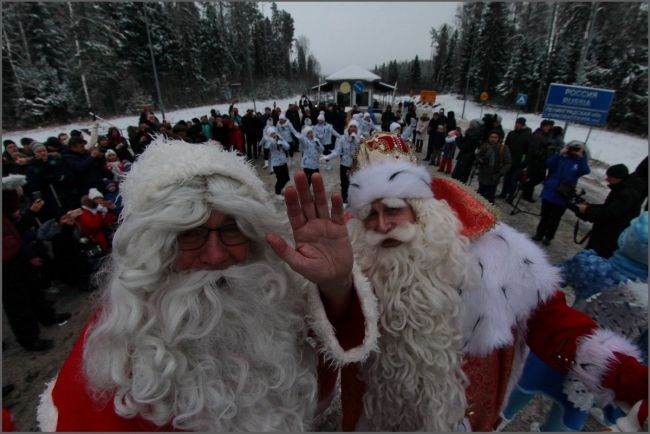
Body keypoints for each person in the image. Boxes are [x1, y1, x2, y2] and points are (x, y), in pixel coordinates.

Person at [37, 138, 377, 431]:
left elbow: (328, 363)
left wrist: (336, 285)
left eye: (232, 230)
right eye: (190, 234)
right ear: (153, 249)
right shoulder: (112, 353)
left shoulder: (270, 299)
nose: (215, 256)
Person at [331, 132, 647, 431]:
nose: (383, 225)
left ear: (420, 207)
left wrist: (627, 378)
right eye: (369, 215)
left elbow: (552, 322)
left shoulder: (494, 253)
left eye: (393, 209)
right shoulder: (348, 261)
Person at [572, 163, 646, 258]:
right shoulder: (623, 188)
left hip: (609, 238)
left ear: (617, 178)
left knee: (596, 258)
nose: (607, 179)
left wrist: (587, 210)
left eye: (609, 176)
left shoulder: (627, 193)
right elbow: (608, 207)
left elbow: (610, 213)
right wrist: (589, 207)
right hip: (607, 234)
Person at [533, 141, 590, 246]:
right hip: (550, 191)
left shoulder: (578, 162)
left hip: (563, 194)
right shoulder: (562, 158)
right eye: (572, 149)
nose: (573, 151)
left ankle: (549, 236)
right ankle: (539, 233)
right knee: (545, 215)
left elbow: (585, 171)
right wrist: (559, 154)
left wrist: (581, 156)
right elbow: (549, 164)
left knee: (555, 218)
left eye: (576, 149)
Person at [320, 120, 360, 205]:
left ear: (357, 129)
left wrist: (356, 140)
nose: (353, 129)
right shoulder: (342, 138)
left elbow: (363, 151)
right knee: (344, 183)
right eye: (351, 127)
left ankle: (355, 200)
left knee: (356, 183)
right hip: (344, 164)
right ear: (348, 128)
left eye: (354, 127)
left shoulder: (361, 138)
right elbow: (337, 152)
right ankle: (345, 201)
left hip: (356, 165)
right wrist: (327, 156)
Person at [499, 117, 532, 202]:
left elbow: (528, 150)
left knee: (514, 180)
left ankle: (511, 196)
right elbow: (506, 146)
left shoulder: (528, 135)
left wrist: (524, 162)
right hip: (508, 160)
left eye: (519, 124)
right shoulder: (511, 133)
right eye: (516, 123)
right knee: (507, 178)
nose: (517, 125)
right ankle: (503, 193)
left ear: (523, 125)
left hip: (519, 162)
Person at [520, 119, 554, 202]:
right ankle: (526, 193)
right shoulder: (538, 135)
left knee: (538, 178)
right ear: (543, 126)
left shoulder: (546, 135)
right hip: (535, 161)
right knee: (533, 178)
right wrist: (543, 154)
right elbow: (534, 150)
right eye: (547, 127)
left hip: (541, 161)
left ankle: (526, 189)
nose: (549, 128)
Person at [476, 129, 512, 204]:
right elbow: (478, 155)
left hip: (494, 175)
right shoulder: (484, 145)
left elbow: (508, 163)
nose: (493, 139)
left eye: (495, 137)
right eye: (491, 137)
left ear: (499, 138)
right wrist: (480, 160)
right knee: (480, 195)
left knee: (490, 197)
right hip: (483, 174)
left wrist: (500, 174)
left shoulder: (503, 148)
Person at [263, 127, 292, 199]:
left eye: (274, 133)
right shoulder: (269, 141)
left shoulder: (280, 138)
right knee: (280, 179)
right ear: (269, 135)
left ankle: (281, 189)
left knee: (287, 178)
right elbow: (267, 146)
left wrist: (281, 142)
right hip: (276, 164)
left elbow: (288, 147)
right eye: (271, 134)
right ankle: (277, 193)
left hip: (283, 161)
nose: (274, 135)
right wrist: (272, 140)